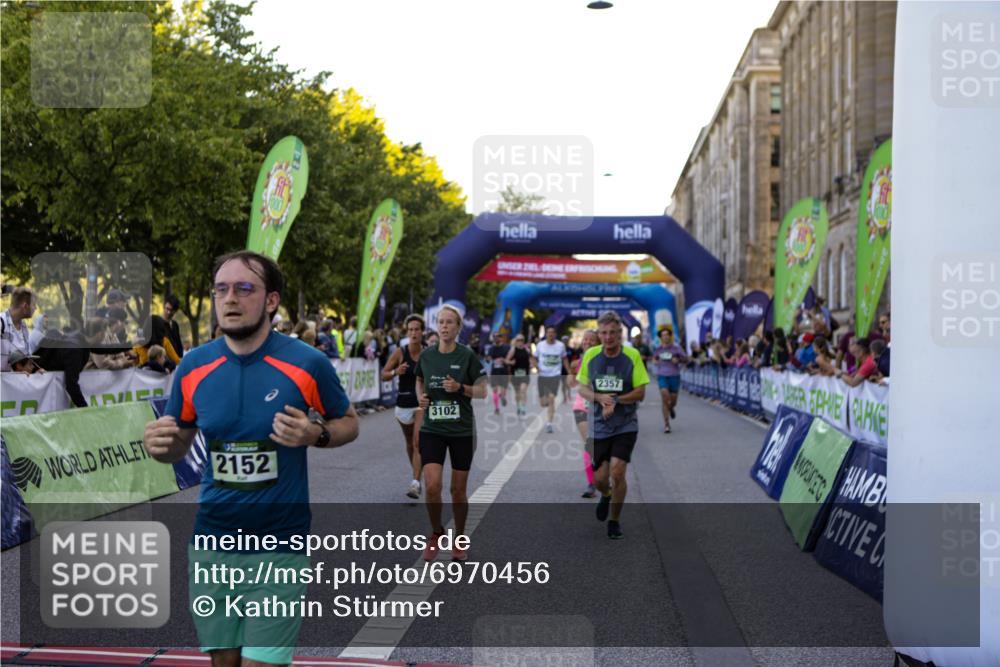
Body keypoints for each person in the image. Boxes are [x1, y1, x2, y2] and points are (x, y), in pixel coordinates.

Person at [143, 250, 359, 667]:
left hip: (281, 543)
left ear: (272, 300)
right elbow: (178, 443)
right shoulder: (193, 366)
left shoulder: (307, 363)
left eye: (245, 289)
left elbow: (349, 422)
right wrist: (160, 446)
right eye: (222, 289)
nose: (230, 299)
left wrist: (317, 433)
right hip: (213, 543)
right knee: (225, 662)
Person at [414, 304, 487, 562]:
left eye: (449, 323)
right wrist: (420, 398)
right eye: (441, 322)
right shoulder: (427, 355)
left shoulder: (466, 356)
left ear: (458, 328)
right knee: (432, 486)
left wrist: (460, 388)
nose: (444, 326)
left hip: (461, 431)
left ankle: (460, 537)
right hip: (432, 428)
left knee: (458, 491)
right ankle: (436, 533)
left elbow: (483, 390)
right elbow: (419, 379)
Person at [576, 311, 649, 540]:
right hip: (598, 425)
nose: (608, 338)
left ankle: (614, 520)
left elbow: (641, 392)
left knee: (618, 472)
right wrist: (599, 398)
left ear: (620, 334)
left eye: (613, 333)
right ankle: (605, 494)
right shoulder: (591, 355)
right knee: (600, 479)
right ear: (599, 334)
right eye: (604, 333)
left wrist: (615, 400)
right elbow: (582, 388)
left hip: (625, 424)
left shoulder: (632, 355)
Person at [381, 314, 426, 499]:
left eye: (417, 329)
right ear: (407, 332)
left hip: (420, 403)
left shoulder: (428, 353)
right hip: (403, 403)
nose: (414, 333)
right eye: (411, 330)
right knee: (409, 443)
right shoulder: (400, 352)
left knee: (418, 442)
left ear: (422, 332)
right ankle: (416, 472)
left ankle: (415, 482)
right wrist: (395, 372)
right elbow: (384, 374)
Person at [569, 329, 599, 497]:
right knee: (589, 443)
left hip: (601, 407)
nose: (587, 342)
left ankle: (601, 476)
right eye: (585, 340)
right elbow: (571, 384)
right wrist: (572, 372)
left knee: (601, 445)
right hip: (581, 406)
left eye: (591, 340)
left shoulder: (605, 360)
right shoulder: (578, 362)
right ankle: (591, 484)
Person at [532, 326, 570, 433]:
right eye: (548, 332)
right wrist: (536, 367)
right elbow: (534, 358)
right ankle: (547, 403)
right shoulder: (540, 345)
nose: (550, 334)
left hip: (555, 375)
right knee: (543, 403)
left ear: (555, 334)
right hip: (543, 375)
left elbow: (565, 359)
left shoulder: (560, 345)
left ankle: (549, 423)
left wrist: (569, 372)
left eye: (553, 332)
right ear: (546, 334)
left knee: (552, 398)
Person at [652, 326, 688, 433]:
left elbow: (686, 359)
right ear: (660, 338)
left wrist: (678, 360)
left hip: (674, 376)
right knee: (664, 397)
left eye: (667, 335)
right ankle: (666, 424)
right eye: (663, 335)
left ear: (670, 336)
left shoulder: (676, 348)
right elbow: (654, 358)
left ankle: (671, 407)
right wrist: (655, 361)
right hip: (662, 375)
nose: (665, 337)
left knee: (673, 401)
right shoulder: (658, 349)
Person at [1, 287, 35, 371]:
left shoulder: (24, 327)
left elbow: (24, 359)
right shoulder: (1, 322)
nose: (36, 308)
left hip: (14, 382)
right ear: (25, 306)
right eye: (34, 304)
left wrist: (36, 370)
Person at [506, 333, 532, 417]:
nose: (520, 342)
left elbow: (530, 359)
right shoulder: (513, 350)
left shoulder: (527, 350)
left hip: (525, 374)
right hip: (515, 374)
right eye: (518, 340)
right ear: (516, 341)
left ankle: (523, 407)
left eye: (522, 340)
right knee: (517, 393)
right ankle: (518, 406)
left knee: (523, 390)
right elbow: (506, 360)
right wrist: (511, 362)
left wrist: (531, 364)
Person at [486, 332, 511, 416]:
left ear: (501, 338)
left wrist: (504, 360)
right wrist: (488, 358)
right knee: (495, 390)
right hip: (494, 372)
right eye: (494, 336)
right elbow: (488, 359)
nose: (496, 338)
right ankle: (497, 408)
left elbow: (511, 357)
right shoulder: (491, 348)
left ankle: (502, 396)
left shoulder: (506, 347)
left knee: (503, 390)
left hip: (504, 371)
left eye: (498, 336)